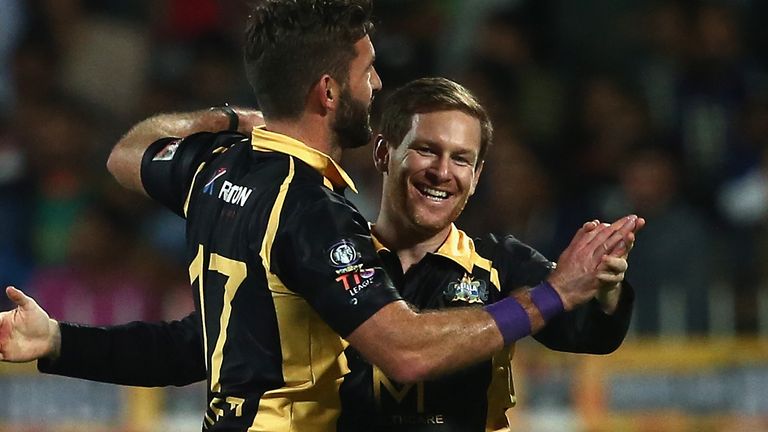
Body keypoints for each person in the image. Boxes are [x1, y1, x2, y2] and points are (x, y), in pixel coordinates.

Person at [0, 1, 640, 431]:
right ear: (379, 145)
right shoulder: (319, 219)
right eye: (366, 71)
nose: (376, 83)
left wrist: (60, 340)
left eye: (463, 159)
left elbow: (128, 155)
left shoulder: (217, 169)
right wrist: (549, 297)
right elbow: (405, 352)